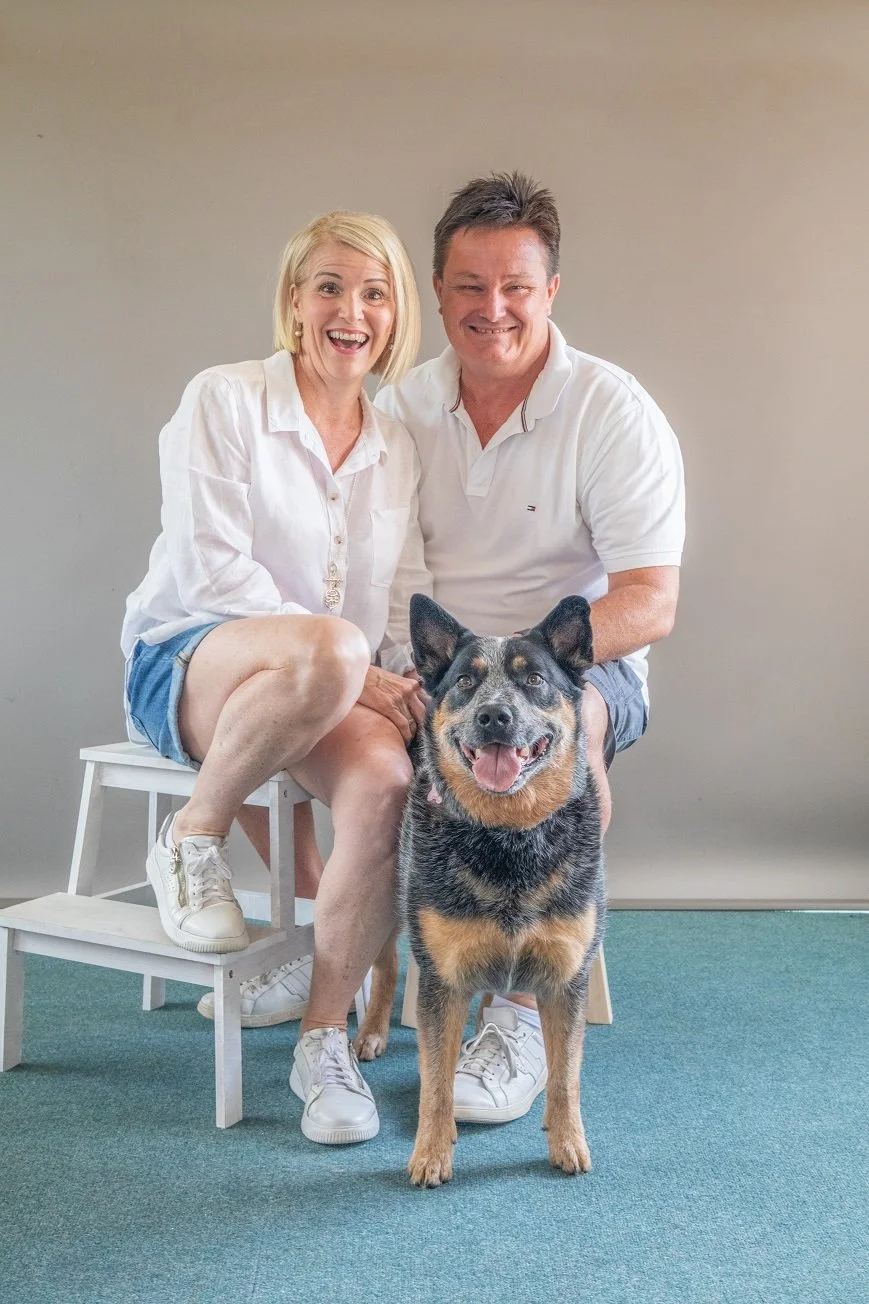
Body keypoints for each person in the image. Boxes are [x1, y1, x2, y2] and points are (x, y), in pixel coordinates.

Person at [375, 172, 686, 1124]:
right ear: (438, 290)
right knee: (332, 741)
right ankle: (335, 953)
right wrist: (394, 677)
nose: (492, 308)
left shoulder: (611, 409)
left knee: (570, 730)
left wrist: (536, 671)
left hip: (574, 667)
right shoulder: (400, 406)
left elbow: (650, 601)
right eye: (469, 285)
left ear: (550, 290)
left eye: (515, 286)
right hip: (433, 665)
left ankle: (516, 1011)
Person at [121, 211, 427, 1145]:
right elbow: (212, 575)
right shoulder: (224, 398)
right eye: (329, 287)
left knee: (386, 782)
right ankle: (191, 837)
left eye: (373, 294)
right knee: (332, 651)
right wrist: (352, 666)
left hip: (332, 679)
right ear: (294, 303)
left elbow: (404, 592)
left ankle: (321, 1038)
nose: (351, 312)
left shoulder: (397, 443)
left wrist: (404, 682)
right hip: (190, 657)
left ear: (394, 314)